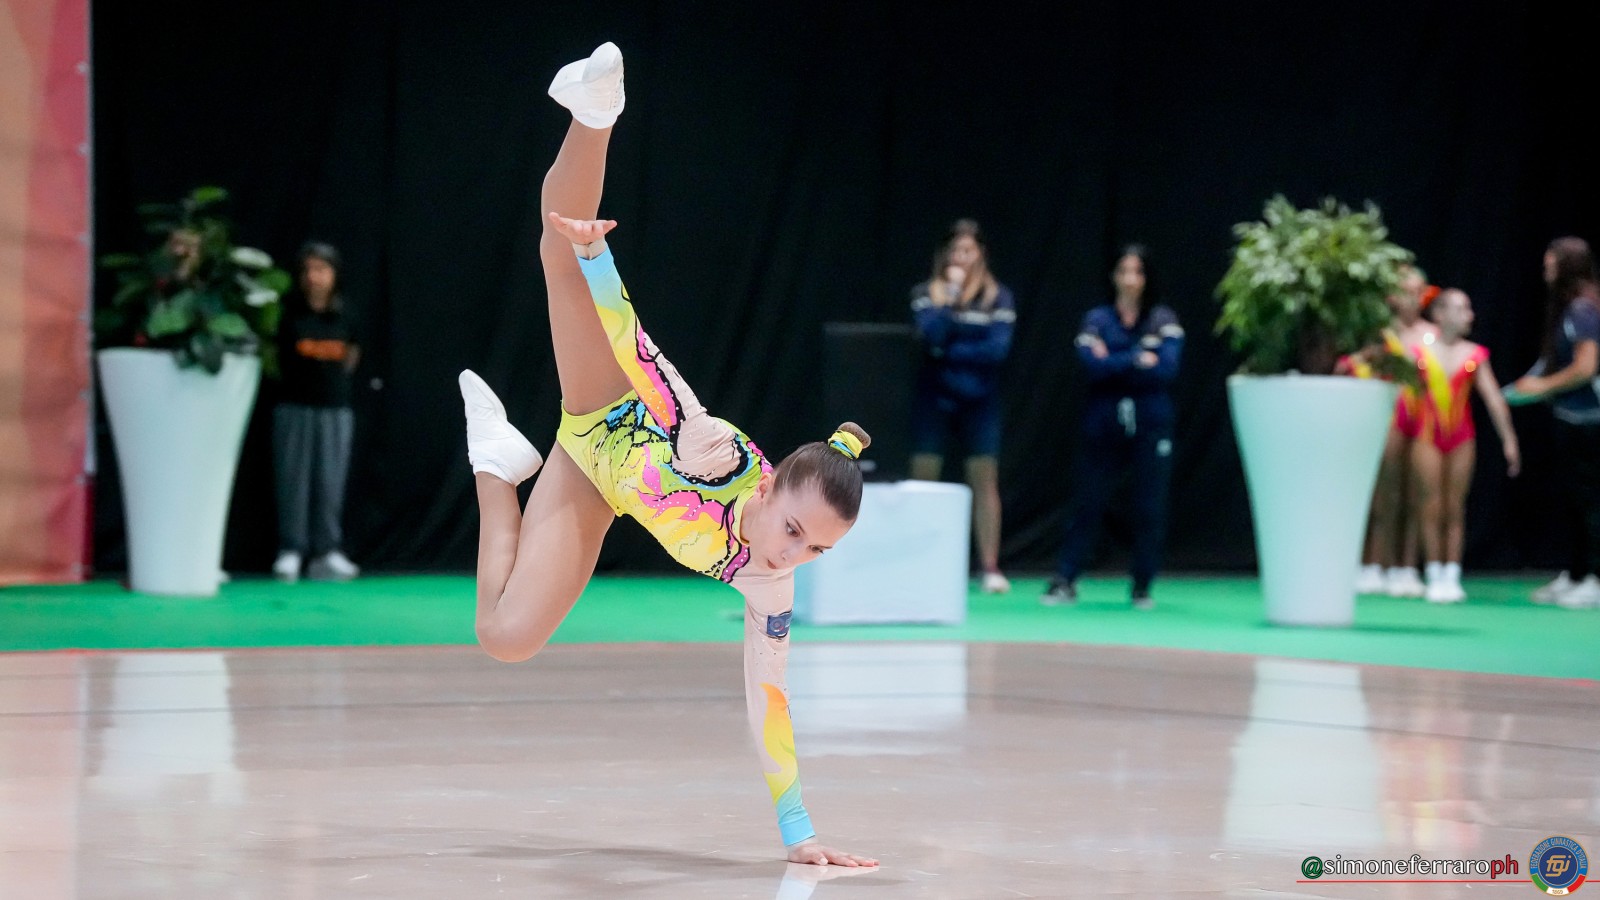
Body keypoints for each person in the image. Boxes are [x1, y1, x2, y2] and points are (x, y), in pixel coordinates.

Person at [460, 43, 878, 867]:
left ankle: (496, 467)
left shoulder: (772, 583)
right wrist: (596, 258)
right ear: (775, 488)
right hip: (610, 410)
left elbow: (770, 697)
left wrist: (799, 831)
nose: (793, 554)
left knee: (505, 638)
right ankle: (596, 114)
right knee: (556, 251)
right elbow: (647, 363)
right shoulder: (719, 457)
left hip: (596, 485)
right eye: (795, 530)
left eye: (816, 551)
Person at [1043, 245, 1183, 609]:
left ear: (1147, 278)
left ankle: (1142, 586)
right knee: (1088, 501)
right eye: (1124, 272)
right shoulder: (1097, 320)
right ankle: (1065, 580)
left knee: (1149, 506)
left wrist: (1116, 358)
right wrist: (1137, 358)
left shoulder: (1163, 319)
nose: (1130, 280)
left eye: (1137, 272)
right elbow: (1092, 366)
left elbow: (1166, 368)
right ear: (1114, 276)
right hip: (1102, 420)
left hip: (1151, 420)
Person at [908, 219, 1017, 594]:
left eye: (968, 250)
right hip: (934, 398)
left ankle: (990, 567)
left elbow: (996, 351)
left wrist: (949, 351)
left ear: (980, 254)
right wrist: (951, 298)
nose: (961, 257)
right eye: (955, 250)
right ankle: (918, 566)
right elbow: (930, 337)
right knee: (924, 480)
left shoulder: (998, 298)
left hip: (980, 400)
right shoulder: (927, 293)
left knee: (984, 480)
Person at [1407, 289, 1519, 602]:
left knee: (1455, 507)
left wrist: (1509, 439)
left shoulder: (1474, 354)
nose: (1470, 315)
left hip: (1461, 437)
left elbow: (1493, 398)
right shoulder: (1419, 351)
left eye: (1469, 308)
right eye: (1461, 308)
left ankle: (1452, 573)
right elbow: (1401, 396)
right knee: (1430, 505)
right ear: (1440, 315)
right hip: (1426, 435)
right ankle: (1433, 572)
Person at [1512, 236, 1600, 609]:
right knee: (1572, 502)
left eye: (1551, 260)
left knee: (1591, 502)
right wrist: (1518, 390)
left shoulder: (1583, 310)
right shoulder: (1567, 311)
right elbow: (1552, 364)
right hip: (1569, 420)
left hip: (1591, 423)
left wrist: (1542, 388)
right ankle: (1576, 574)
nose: (1545, 266)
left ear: (1568, 265)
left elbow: (1585, 367)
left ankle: (1595, 579)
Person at [272, 242, 361, 583]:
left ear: (334, 275)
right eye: (308, 270)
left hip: (335, 409)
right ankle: (291, 550)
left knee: (331, 482)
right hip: (294, 408)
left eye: (322, 269)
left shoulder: (347, 316)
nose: (314, 277)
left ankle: (327, 552)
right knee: (293, 481)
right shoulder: (288, 315)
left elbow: (353, 357)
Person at [1353, 266, 1439, 597]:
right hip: (1390, 416)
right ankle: (1375, 563)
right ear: (1392, 296)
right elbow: (1357, 365)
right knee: (1384, 494)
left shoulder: (1432, 334)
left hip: (1423, 419)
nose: (1413, 298)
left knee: (1416, 494)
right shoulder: (1380, 334)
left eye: (1418, 291)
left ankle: (1407, 567)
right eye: (1406, 290)